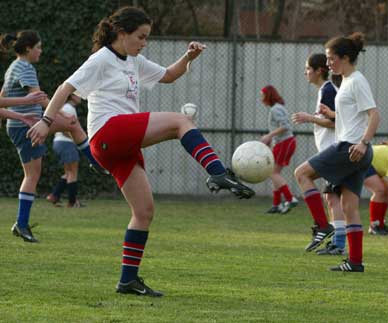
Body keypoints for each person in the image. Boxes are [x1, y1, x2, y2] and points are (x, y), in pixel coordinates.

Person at [26, 7, 254, 297]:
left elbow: (169, 75)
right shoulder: (101, 59)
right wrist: (46, 122)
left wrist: (188, 57)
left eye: (146, 37)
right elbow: (64, 87)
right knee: (180, 121)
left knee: (144, 212)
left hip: (123, 145)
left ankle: (128, 281)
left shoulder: (134, 60)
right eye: (141, 37)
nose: (144, 42)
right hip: (108, 133)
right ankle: (218, 173)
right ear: (121, 34)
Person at [1, 30, 105, 243]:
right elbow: (39, 99)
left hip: (21, 124)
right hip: (29, 125)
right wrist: (56, 113)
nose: (41, 51)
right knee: (32, 176)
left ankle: (95, 161)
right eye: (38, 47)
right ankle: (21, 224)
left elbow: (3, 97)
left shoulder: (13, 67)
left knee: (72, 125)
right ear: (29, 49)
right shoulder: (26, 67)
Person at [294, 32, 380, 272]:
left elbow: (374, 115)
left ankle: (322, 226)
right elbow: (355, 115)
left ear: (345, 58)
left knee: (301, 174)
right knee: (349, 207)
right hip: (356, 149)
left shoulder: (356, 81)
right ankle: (355, 262)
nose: (328, 62)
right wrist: (333, 115)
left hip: (349, 147)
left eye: (332, 58)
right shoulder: (346, 81)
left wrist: (363, 142)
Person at [292, 53, 346, 255]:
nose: (305, 72)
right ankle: (338, 245)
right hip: (335, 151)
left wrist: (309, 118)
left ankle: (323, 226)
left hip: (335, 150)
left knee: (301, 174)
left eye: (308, 68)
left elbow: (335, 122)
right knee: (332, 198)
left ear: (319, 71)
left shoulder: (328, 90)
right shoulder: (326, 90)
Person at [259, 85, 298, 214]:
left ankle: (290, 198)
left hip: (285, 142)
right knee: (274, 173)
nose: (261, 97)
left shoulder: (275, 109)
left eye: (263, 95)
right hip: (282, 143)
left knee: (273, 173)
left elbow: (285, 126)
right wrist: (271, 141)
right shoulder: (276, 108)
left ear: (269, 95)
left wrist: (269, 136)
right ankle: (276, 204)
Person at [46, 94, 85, 208]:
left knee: (68, 172)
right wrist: (78, 140)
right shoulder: (68, 109)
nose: (81, 97)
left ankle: (54, 195)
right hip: (66, 143)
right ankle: (72, 202)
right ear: (72, 96)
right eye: (78, 95)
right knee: (73, 172)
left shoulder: (66, 108)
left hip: (59, 143)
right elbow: (64, 128)